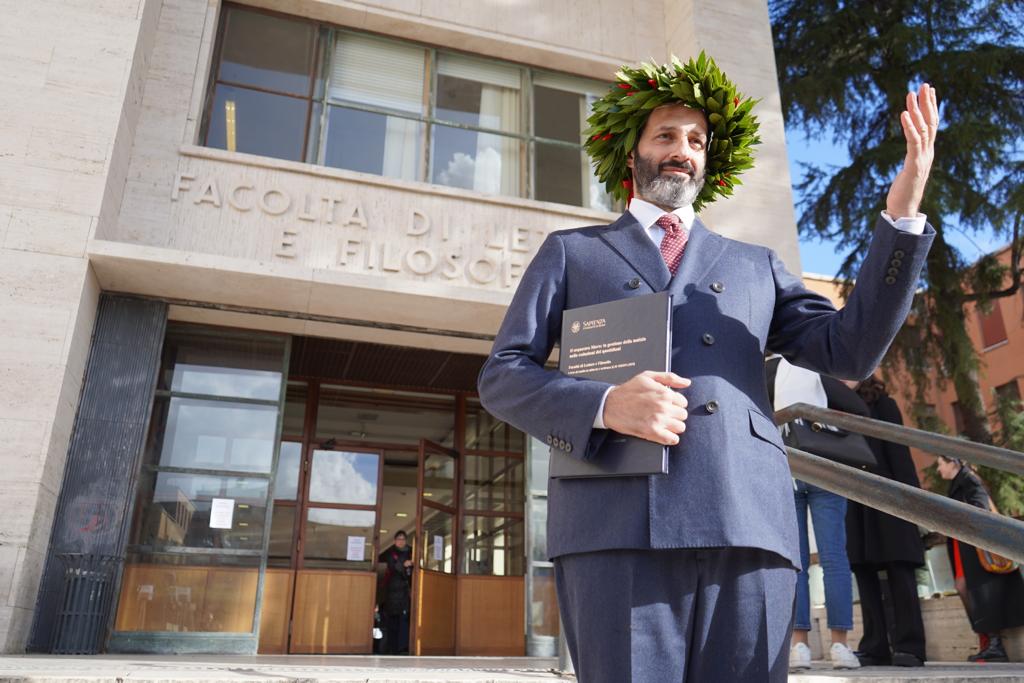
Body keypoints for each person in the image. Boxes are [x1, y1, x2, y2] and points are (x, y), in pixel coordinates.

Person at [477, 52, 937, 682]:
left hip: (745, 521)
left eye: (696, 139)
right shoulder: (572, 253)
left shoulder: (755, 263)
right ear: (631, 152)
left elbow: (848, 350)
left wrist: (902, 216)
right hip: (614, 526)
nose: (682, 150)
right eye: (665, 135)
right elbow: (503, 374)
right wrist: (604, 405)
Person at [766, 356, 859, 670]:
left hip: (786, 464)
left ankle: (799, 646)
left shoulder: (769, 368)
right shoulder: (823, 363)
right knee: (834, 558)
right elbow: (859, 407)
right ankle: (840, 646)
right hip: (824, 466)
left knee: (797, 562)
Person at [843, 375, 927, 667]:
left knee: (899, 570)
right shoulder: (833, 404)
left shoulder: (884, 405)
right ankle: (875, 645)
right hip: (855, 498)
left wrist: (913, 504)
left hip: (890, 496)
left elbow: (899, 454)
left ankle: (910, 646)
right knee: (863, 572)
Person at [936, 455, 1024, 662]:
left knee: (977, 593)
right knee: (964, 588)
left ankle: (994, 645)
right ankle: (989, 642)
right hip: (967, 549)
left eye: (941, 464)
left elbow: (980, 508)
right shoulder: (962, 481)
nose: (939, 470)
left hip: (976, 550)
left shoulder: (969, 480)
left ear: (953, 463)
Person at [382, 530, 413, 655]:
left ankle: (404, 647)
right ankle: (392, 648)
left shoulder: (411, 551)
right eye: (399, 539)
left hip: (407, 591)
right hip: (393, 591)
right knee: (393, 620)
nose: (401, 541)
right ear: (395, 540)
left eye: (403, 539)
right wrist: (404, 564)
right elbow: (393, 567)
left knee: (406, 620)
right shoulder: (390, 553)